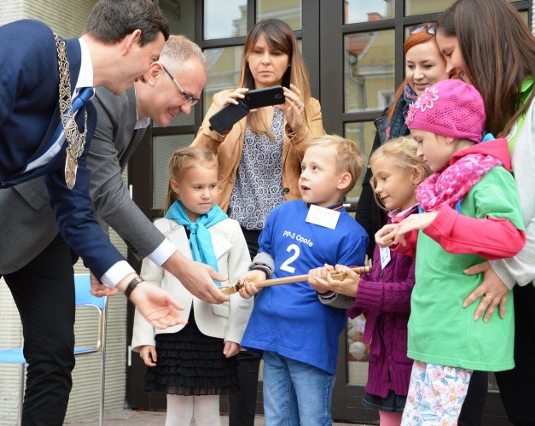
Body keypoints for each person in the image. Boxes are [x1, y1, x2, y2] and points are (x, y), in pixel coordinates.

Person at [0, 1, 188, 424]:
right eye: (152, 59)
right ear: (131, 42)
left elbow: (75, 212)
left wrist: (133, 286)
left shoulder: (81, 112)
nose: (149, 73)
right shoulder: (28, 42)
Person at [0, 35, 211, 424]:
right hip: (5, 222)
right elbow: (109, 194)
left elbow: (91, 183)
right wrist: (181, 266)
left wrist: (100, 256)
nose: (187, 107)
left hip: (56, 237)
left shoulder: (140, 117)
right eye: (187, 96)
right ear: (155, 73)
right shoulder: (103, 99)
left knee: (55, 355)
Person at [191, 18, 324, 424]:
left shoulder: (308, 106)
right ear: (247, 55)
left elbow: (322, 167)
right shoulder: (228, 102)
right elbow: (190, 167)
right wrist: (215, 125)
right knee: (240, 337)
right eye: (258, 51)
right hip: (236, 233)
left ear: (289, 60)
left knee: (288, 333)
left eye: (276, 53)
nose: (265, 61)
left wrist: (299, 128)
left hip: (286, 236)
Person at [375, 79, 526, 424]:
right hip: (438, 332)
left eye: (420, 140)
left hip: (457, 335)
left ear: (447, 134)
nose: (418, 150)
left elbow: (508, 237)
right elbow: (446, 242)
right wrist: (407, 238)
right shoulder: (446, 180)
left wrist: (432, 220)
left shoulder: (487, 176)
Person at [436, 1, 535, 423]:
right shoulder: (503, 109)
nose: (447, 69)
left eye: (449, 54)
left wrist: (507, 268)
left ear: (482, 43)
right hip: (517, 287)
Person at [237, 135, 368, 425]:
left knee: (312, 420)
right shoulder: (282, 211)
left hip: (309, 341)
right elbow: (267, 253)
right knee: (277, 419)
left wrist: (327, 288)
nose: (305, 175)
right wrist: (257, 273)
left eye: (315, 169)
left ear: (343, 180)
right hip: (270, 331)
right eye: (304, 167)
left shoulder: (352, 234)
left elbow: (348, 294)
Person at [309, 137, 429, 426]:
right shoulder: (389, 227)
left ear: (415, 175)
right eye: (374, 180)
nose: (377, 188)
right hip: (384, 361)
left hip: (413, 358)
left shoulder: (425, 227)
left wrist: (360, 289)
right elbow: (377, 287)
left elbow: (413, 294)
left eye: (384, 178)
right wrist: (342, 284)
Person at [131, 146, 253, 426]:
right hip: (172, 334)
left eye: (212, 185)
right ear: (176, 186)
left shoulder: (231, 229)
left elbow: (240, 286)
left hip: (214, 333)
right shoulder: (160, 229)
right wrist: (145, 338)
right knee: (177, 412)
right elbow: (148, 285)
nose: (207, 194)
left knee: (209, 411)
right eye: (198, 187)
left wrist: (236, 334)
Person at [356, 22, 448, 258]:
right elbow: (371, 183)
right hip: (391, 235)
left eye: (427, 65)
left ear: (449, 64)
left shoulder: (460, 115)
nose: (417, 75)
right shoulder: (394, 112)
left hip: (436, 236)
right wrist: (365, 242)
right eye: (410, 66)